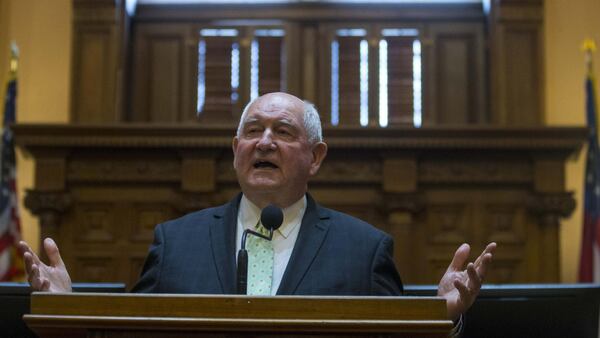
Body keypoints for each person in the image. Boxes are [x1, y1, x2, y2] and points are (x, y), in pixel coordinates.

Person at [19, 92, 496, 324]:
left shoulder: (364, 249)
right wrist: (66, 311)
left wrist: (440, 318)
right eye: (252, 130)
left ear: (316, 156)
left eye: (283, 132)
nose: (264, 141)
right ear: (235, 149)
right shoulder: (175, 241)